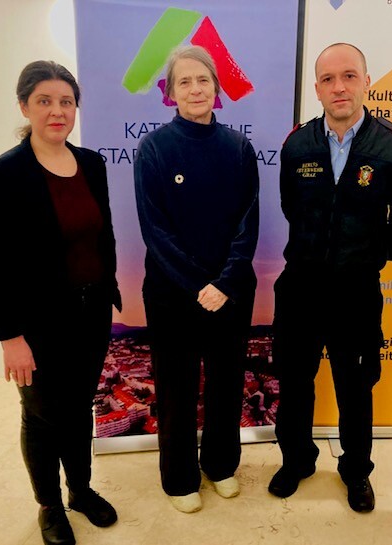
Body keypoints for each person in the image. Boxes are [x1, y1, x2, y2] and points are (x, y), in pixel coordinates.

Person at [269, 42, 392, 512]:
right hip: (301, 286)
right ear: (316, 88)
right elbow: (290, 206)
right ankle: (297, 461)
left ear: (366, 82)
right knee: (294, 381)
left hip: (356, 290)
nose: (339, 87)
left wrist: (375, 254)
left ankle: (356, 470)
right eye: (329, 79)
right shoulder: (297, 144)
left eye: (349, 76)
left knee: (355, 386)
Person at [0, 61, 121, 545]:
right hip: (36, 323)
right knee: (40, 416)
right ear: (24, 107)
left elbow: (103, 236)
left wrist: (109, 290)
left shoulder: (92, 164)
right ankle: (50, 506)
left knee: (78, 408)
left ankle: (80, 489)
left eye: (66, 102)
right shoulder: (4, 176)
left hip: (91, 313)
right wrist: (9, 336)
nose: (57, 111)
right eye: (45, 101)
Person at [134, 45, 259, 514]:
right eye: (184, 82)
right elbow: (155, 229)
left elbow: (249, 222)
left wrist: (223, 283)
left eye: (203, 79)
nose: (195, 89)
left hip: (230, 292)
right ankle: (180, 478)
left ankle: (221, 465)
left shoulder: (238, 148)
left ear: (216, 87)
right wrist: (196, 285)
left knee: (226, 384)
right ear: (170, 93)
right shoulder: (154, 149)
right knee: (176, 388)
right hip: (172, 294)